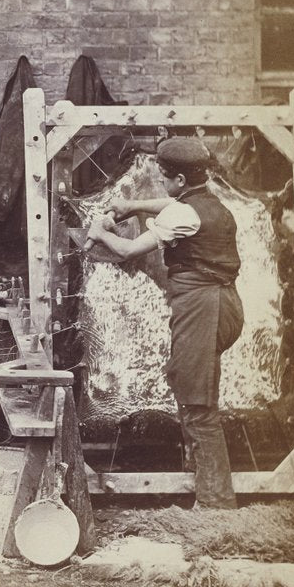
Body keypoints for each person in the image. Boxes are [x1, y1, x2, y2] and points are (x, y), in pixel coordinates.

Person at [87, 136, 244, 509]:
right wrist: (130, 207)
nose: (160, 182)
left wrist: (101, 232)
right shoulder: (208, 204)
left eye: (163, 176)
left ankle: (216, 504)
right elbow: (173, 206)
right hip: (216, 303)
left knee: (198, 404)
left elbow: (128, 251)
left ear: (180, 180)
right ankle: (205, 485)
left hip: (205, 307)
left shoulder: (183, 214)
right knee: (187, 386)